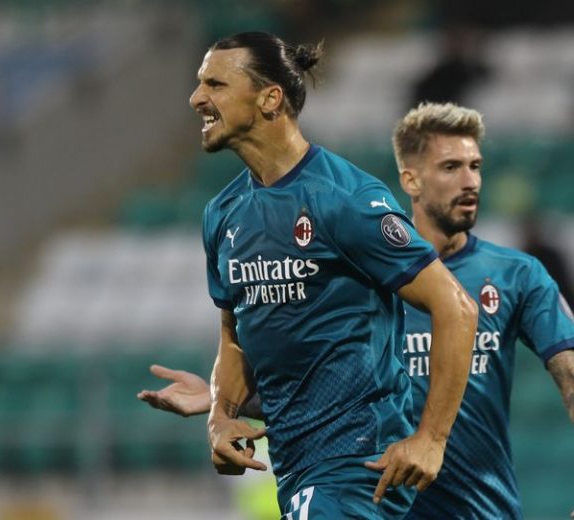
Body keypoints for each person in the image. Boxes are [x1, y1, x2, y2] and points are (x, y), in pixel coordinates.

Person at [139, 102, 574, 518]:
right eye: (450, 167)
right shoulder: (358, 275)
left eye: (475, 166)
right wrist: (227, 401)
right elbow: (328, 394)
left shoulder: (517, 276)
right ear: (411, 180)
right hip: (376, 504)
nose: (470, 181)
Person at [150, 32, 478, 519]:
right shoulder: (223, 213)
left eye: (215, 84)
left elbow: (456, 306)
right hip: (296, 468)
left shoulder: (343, 199)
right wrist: (221, 415)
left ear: (270, 98)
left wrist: (431, 439)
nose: (197, 98)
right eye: (200, 84)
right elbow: (234, 337)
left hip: (358, 462)